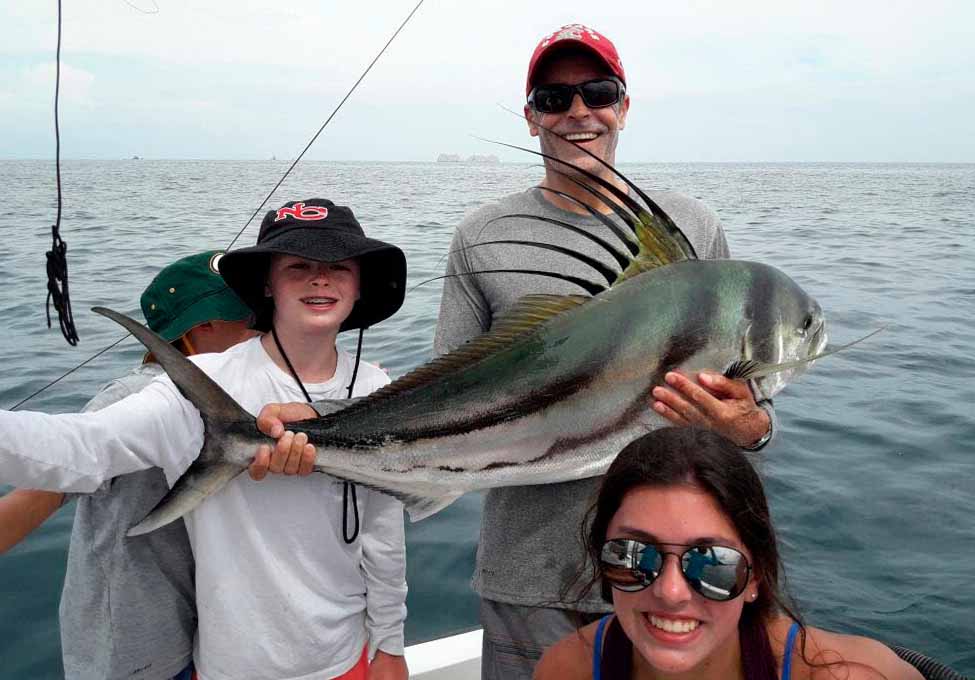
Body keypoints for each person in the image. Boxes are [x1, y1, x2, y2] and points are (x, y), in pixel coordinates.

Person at [432, 23, 774, 678]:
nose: (578, 113)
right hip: (528, 575)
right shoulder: (482, 236)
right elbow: (445, 391)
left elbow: (747, 403)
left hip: (675, 580)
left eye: (598, 92)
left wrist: (751, 429)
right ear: (530, 118)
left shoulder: (692, 228)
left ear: (623, 106)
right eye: (554, 99)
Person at [0, 199, 410, 680]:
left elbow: (383, 534)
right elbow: (84, 449)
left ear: (359, 285)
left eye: (338, 266)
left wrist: (389, 644)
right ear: (266, 285)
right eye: (298, 265)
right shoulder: (191, 385)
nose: (320, 278)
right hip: (232, 667)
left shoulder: (380, 390)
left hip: (347, 656)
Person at [0, 249, 256, 680]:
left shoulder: (252, 394)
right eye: (253, 319)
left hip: (207, 638)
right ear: (202, 328)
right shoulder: (133, 400)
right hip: (136, 653)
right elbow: (48, 487)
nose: (267, 330)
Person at [534, 427, 923, 680]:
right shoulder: (567, 670)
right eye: (634, 555)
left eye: (712, 564)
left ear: (755, 576)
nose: (671, 592)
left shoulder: (845, 675)